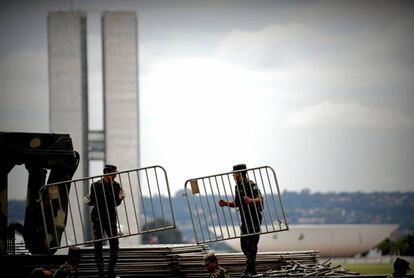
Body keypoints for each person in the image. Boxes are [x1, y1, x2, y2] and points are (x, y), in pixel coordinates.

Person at [218, 164, 263, 277]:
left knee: (251, 245)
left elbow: (261, 199)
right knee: (244, 244)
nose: (233, 175)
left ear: (239, 173)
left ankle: (250, 270)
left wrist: (251, 200)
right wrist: (226, 204)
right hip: (245, 220)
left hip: (254, 219)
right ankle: (251, 270)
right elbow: (237, 203)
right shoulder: (237, 186)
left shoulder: (251, 184)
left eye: (234, 173)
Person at [85, 164, 125, 278]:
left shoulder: (116, 186)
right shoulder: (95, 185)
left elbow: (115, 203)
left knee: (114, 244)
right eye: (113, 173)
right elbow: (92, 202)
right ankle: (101, 271)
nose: (115, 175)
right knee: (98, 244)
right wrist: (88, 200)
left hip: (110, 217)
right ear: (107, 174)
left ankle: (110, 271)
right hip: (98, 217)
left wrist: (120, 198)